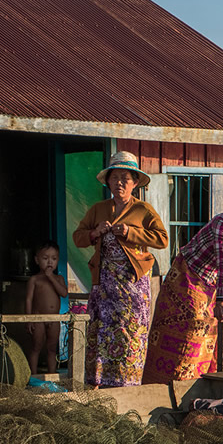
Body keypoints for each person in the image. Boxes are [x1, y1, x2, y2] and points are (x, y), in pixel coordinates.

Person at [142, 182, 223, 384]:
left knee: (208, 327)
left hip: (211, 281)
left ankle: (196, 380)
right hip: (187, 273)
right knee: (191, 322)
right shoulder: (222, 223)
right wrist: (222, 300)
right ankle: (167, 382)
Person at [72, 151, 168, 387]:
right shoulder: (98, 209)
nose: (119, 183)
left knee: (131, 332)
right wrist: (95, 232)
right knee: (103, 330)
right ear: (108, 182)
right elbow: (78, 238)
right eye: (115, 178)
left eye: (125, 178)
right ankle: (99, 382)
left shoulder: (143, 210)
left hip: (133, 287)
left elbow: (162, 239)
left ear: (135, 182)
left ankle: (129, 384)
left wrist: (130, 232)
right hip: (105, 286)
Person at [25, 240, 68, 375]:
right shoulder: (35, 279)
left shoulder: (59, 279)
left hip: (54, 319)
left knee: (51, 349)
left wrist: (51, 277)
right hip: (38, 318)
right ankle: (33, 375)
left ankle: (52, 375)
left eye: (54, 259)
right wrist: (29, 319)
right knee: (36, 346)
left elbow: (64, 293)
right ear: (37, 260)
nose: (50, 262)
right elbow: (28, 299)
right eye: (45, 258)